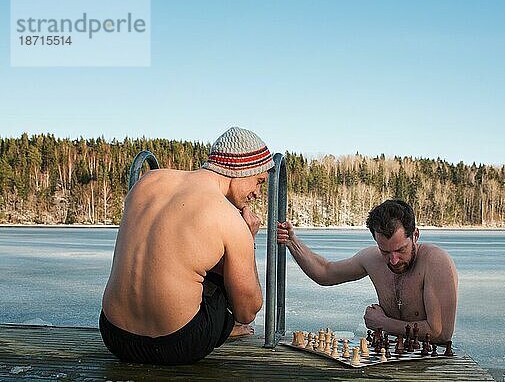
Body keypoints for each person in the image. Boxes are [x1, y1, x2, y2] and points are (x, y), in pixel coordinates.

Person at [100, 127, 273, 365]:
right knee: (229, 271)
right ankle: (228, 327)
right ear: (242, 168)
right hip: (179, 344)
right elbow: (248, 311)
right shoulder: (229, 219)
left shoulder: (148, 180)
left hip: (114, 335)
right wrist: (248, 239)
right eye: (259, 181)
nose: (257, 192)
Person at [277, 199, 458, 343]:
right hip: (389, 357)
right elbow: (325, 272)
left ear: (415, 235)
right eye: (385, 251)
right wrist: (292, 242)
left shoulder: (435, 262)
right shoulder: (372, 259)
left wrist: (382, 323)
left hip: (432, 366)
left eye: (401, 250)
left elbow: (440, 333)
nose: (393, 260)